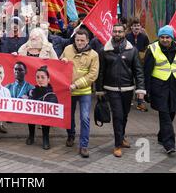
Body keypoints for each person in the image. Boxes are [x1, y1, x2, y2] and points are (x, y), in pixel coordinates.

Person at [144, 25, 176, 155]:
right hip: (158, 88)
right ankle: (169, 145)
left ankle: (162, 136)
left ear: (172, 38)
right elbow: (146, 72)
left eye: (167, 37)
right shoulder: (152, 49)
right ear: (159, 37)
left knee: (172, 113)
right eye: (162, 37)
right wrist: (145, 90)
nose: (165, 40)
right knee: (165, 115)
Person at [96, 23, 146, 158]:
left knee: (124, 115)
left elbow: (138, 71)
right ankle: (117, 145)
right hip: (111, 89)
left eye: (119, 32)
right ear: (112, 33)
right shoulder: (104, 50)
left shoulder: (132, 50)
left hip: (128, 88)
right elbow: (100, 72)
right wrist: (99, 90)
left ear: (124, 33)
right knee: (117, 115)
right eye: (115, 31)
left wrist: (140, 88)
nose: (117, 34)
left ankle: (122, 136)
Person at [60, 29, 99, 158]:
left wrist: (76, 84)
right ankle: (71, 135)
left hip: (84, 91)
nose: (80, 42)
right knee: (69, 116)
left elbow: (93, 75)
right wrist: (62, 62)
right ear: (74, 40)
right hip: (69, 91)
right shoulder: (67, 49)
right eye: (77, 40)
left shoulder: (93, 55)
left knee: (85, 118)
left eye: (82, 40)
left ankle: (84, 145)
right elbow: (59, 65)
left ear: (87, 40)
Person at [26, 66, 58, 150]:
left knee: (46, 117)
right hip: (32, 115)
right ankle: (31, 136)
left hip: (45, 118)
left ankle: (46, 138)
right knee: (30, 114)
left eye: (43, 77)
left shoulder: (51, 95)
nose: (40, 79)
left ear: (48, 79)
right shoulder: (32, 91)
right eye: (38, 77)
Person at [126, 18, 150, 112]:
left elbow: (147, 47)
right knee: (129, 80)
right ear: (131, 27)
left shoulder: (144, 37)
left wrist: (143, 54)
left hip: (140, 62)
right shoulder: (127, 36)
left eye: (138, 25)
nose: (136, 27)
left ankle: (140, 102)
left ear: (141, 27)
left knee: (140, 80)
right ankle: (129, 99)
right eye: (135, 26)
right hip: (129, 62)